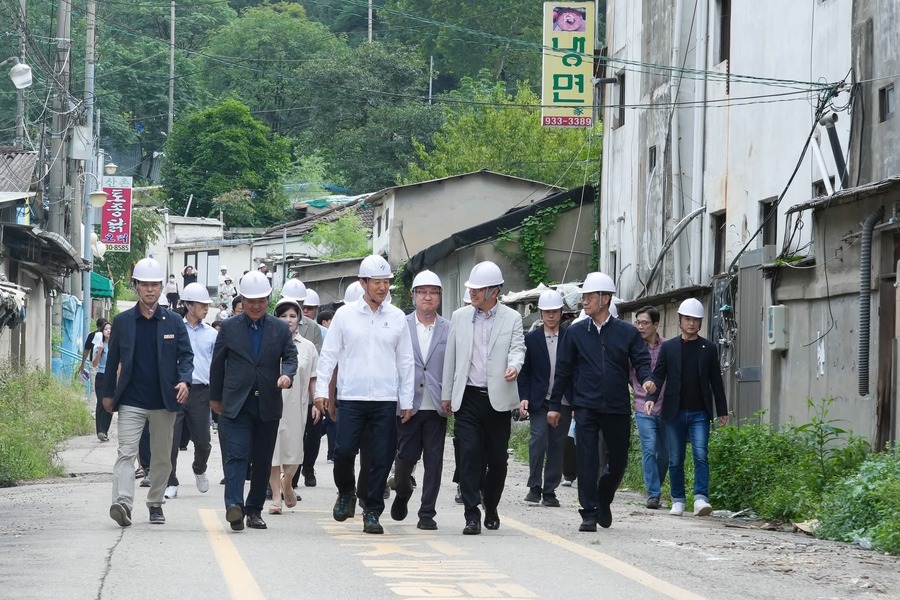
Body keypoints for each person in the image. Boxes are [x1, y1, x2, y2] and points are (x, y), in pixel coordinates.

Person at [313, 255, 414, 535]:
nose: (383, 288)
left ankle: (372, 510)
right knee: (343, 451)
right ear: (363, 283)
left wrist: (406, 400)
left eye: (386, 282)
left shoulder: (396, 318)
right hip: (352, 397)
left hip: (384, 399)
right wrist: (323, 391)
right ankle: (345, 492)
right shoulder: (345, 315)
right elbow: (329, 356)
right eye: (377, 282)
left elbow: (405, 360)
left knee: (381, 458)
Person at [547, 272, 655, 532]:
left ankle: (603, 497)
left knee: (618, 460)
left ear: (605, 299)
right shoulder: (575, 333)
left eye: (589, 296)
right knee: (586, 458)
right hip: (585, 405)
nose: (584, 301)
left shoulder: (626, 332)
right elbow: (562, 370)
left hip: (617, 406)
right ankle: (589, 512)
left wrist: (648, 380)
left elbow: (641, 360)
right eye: (583, 296)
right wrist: (553, 406)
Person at [103, 257, 194, 527]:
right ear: (136, 287)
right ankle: (122, 503)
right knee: (126, 453)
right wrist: (108, 395)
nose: (150, 290)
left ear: (162, 287)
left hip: (164, 401)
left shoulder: (174, 322)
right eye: (145, 285)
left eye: (155, 285)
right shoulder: (122, 322)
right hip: (131, 399)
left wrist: (185, 381)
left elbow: (186, 357)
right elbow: (113, 360)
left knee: (162, 457)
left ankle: (155, 504)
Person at [441, 261, 525, 535]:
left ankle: (491, 504)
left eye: (478, 289)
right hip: (468, 398)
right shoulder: (460, 317)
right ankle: (471, 513)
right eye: (471, 289)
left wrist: (514, 366)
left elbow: (517, 348)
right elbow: (450, 359)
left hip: (498, 399)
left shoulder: (511, 318)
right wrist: (446, 396)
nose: (473, 293)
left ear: (494, 291)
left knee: (498, 460)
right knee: (469, 455)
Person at [210, 271, 298, 531]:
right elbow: (217, 365)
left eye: (261, 300)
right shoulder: (228, 327)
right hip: (236, 403)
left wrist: (287, 375)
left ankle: (254, 510)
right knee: (236, 456)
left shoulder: (280, 328)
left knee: (262, 460)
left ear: (268, 299)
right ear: (242, 300)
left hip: (267, 403)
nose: (256, 306)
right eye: (251, 301)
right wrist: (215, 398)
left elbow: (291, 357)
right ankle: (234, 507)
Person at [647, 298, 728, 517]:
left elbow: (716, 382)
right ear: (680, 320)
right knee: (675, 458)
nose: (691, 323)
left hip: (700, 411)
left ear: (701, 323)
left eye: (696, 320)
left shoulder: (709, 349)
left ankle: (701, 498)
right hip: (674, 412)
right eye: (688, 319)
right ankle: (678, 499)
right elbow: (659, 374)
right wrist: (651, 396)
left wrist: (722, 411)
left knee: (701, 454)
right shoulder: (669, 347)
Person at [389, 270, 450, 530]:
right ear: (413, 296)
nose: (428, 297)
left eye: (433, 292)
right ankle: (402, 492)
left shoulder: (449, 328)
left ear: (439, 297)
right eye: (422, 292)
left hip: (436, 406)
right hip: (407, 405)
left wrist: (449, 396)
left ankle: (427, 513)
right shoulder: (400, 324)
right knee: (405, 458)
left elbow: (453, 365)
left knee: (434, 462)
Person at [518, 289, 572, 508]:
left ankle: (550, 490)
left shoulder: (571, 337)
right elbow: (525, 372)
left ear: (561, 312)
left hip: (565, 400)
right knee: (538, 440)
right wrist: (524, 397)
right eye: (547, 312)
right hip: (539, 400)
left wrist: (576, 401)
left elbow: (575, 370)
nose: (551, 316)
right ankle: (534, 487)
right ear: (540, 313)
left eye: (555, 311)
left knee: (558, 444)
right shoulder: (531, 339)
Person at [164, 283, 217, 500]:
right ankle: (171, 481)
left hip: (201, 392)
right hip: (176, 389)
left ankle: (199, 468)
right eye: (202, 305)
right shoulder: (175, 329)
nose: (206, 309)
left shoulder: (212, 334)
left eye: (207, 305)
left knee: (203, 441)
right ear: (189, 305)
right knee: (171, 440)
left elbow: (216, 364)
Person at [268, 298, 319, 515]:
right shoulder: (268, 344)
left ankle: (287, 481)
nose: (288, 320)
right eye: (283, 316)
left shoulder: (307, 348)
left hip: (297, 407)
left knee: (295, 453)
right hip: (271, 406)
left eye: (292, 316)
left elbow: (314, 378)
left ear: (299, 319)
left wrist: (316, 402)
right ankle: (276, 497)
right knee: (273, 452)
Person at [631, 305, 668, 509]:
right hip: (641, 405)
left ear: (656, 324)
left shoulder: (668, 347)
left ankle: (657, 487)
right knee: (649, 448)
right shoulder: (634, 348)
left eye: (645, 323)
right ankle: (653, 493)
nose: (640, 326)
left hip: (666, 406)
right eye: (638, 322)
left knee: (665, 453)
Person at [92, 321, 113, 442]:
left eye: (110, 329)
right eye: (106, 329)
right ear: (102, 332)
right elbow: (95, 363)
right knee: (101, 402)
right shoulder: (99, 345)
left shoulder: (116, 345)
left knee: (110, 404)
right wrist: (99, 351)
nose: (108, 331)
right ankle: (100, 430)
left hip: (113, 377)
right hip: (101, 375)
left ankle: (105, 431)